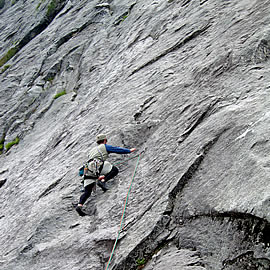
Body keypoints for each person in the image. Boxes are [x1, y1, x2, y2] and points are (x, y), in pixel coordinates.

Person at [76, 134, 136, 216]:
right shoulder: (104, 147)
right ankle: (103, 181)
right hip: (98, 165)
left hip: (88, 169)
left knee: (87, 191)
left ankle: (79, 206)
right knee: (114, 170)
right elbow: (116, 149)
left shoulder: (92, 150)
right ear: (105, 141)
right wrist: (129, 151)